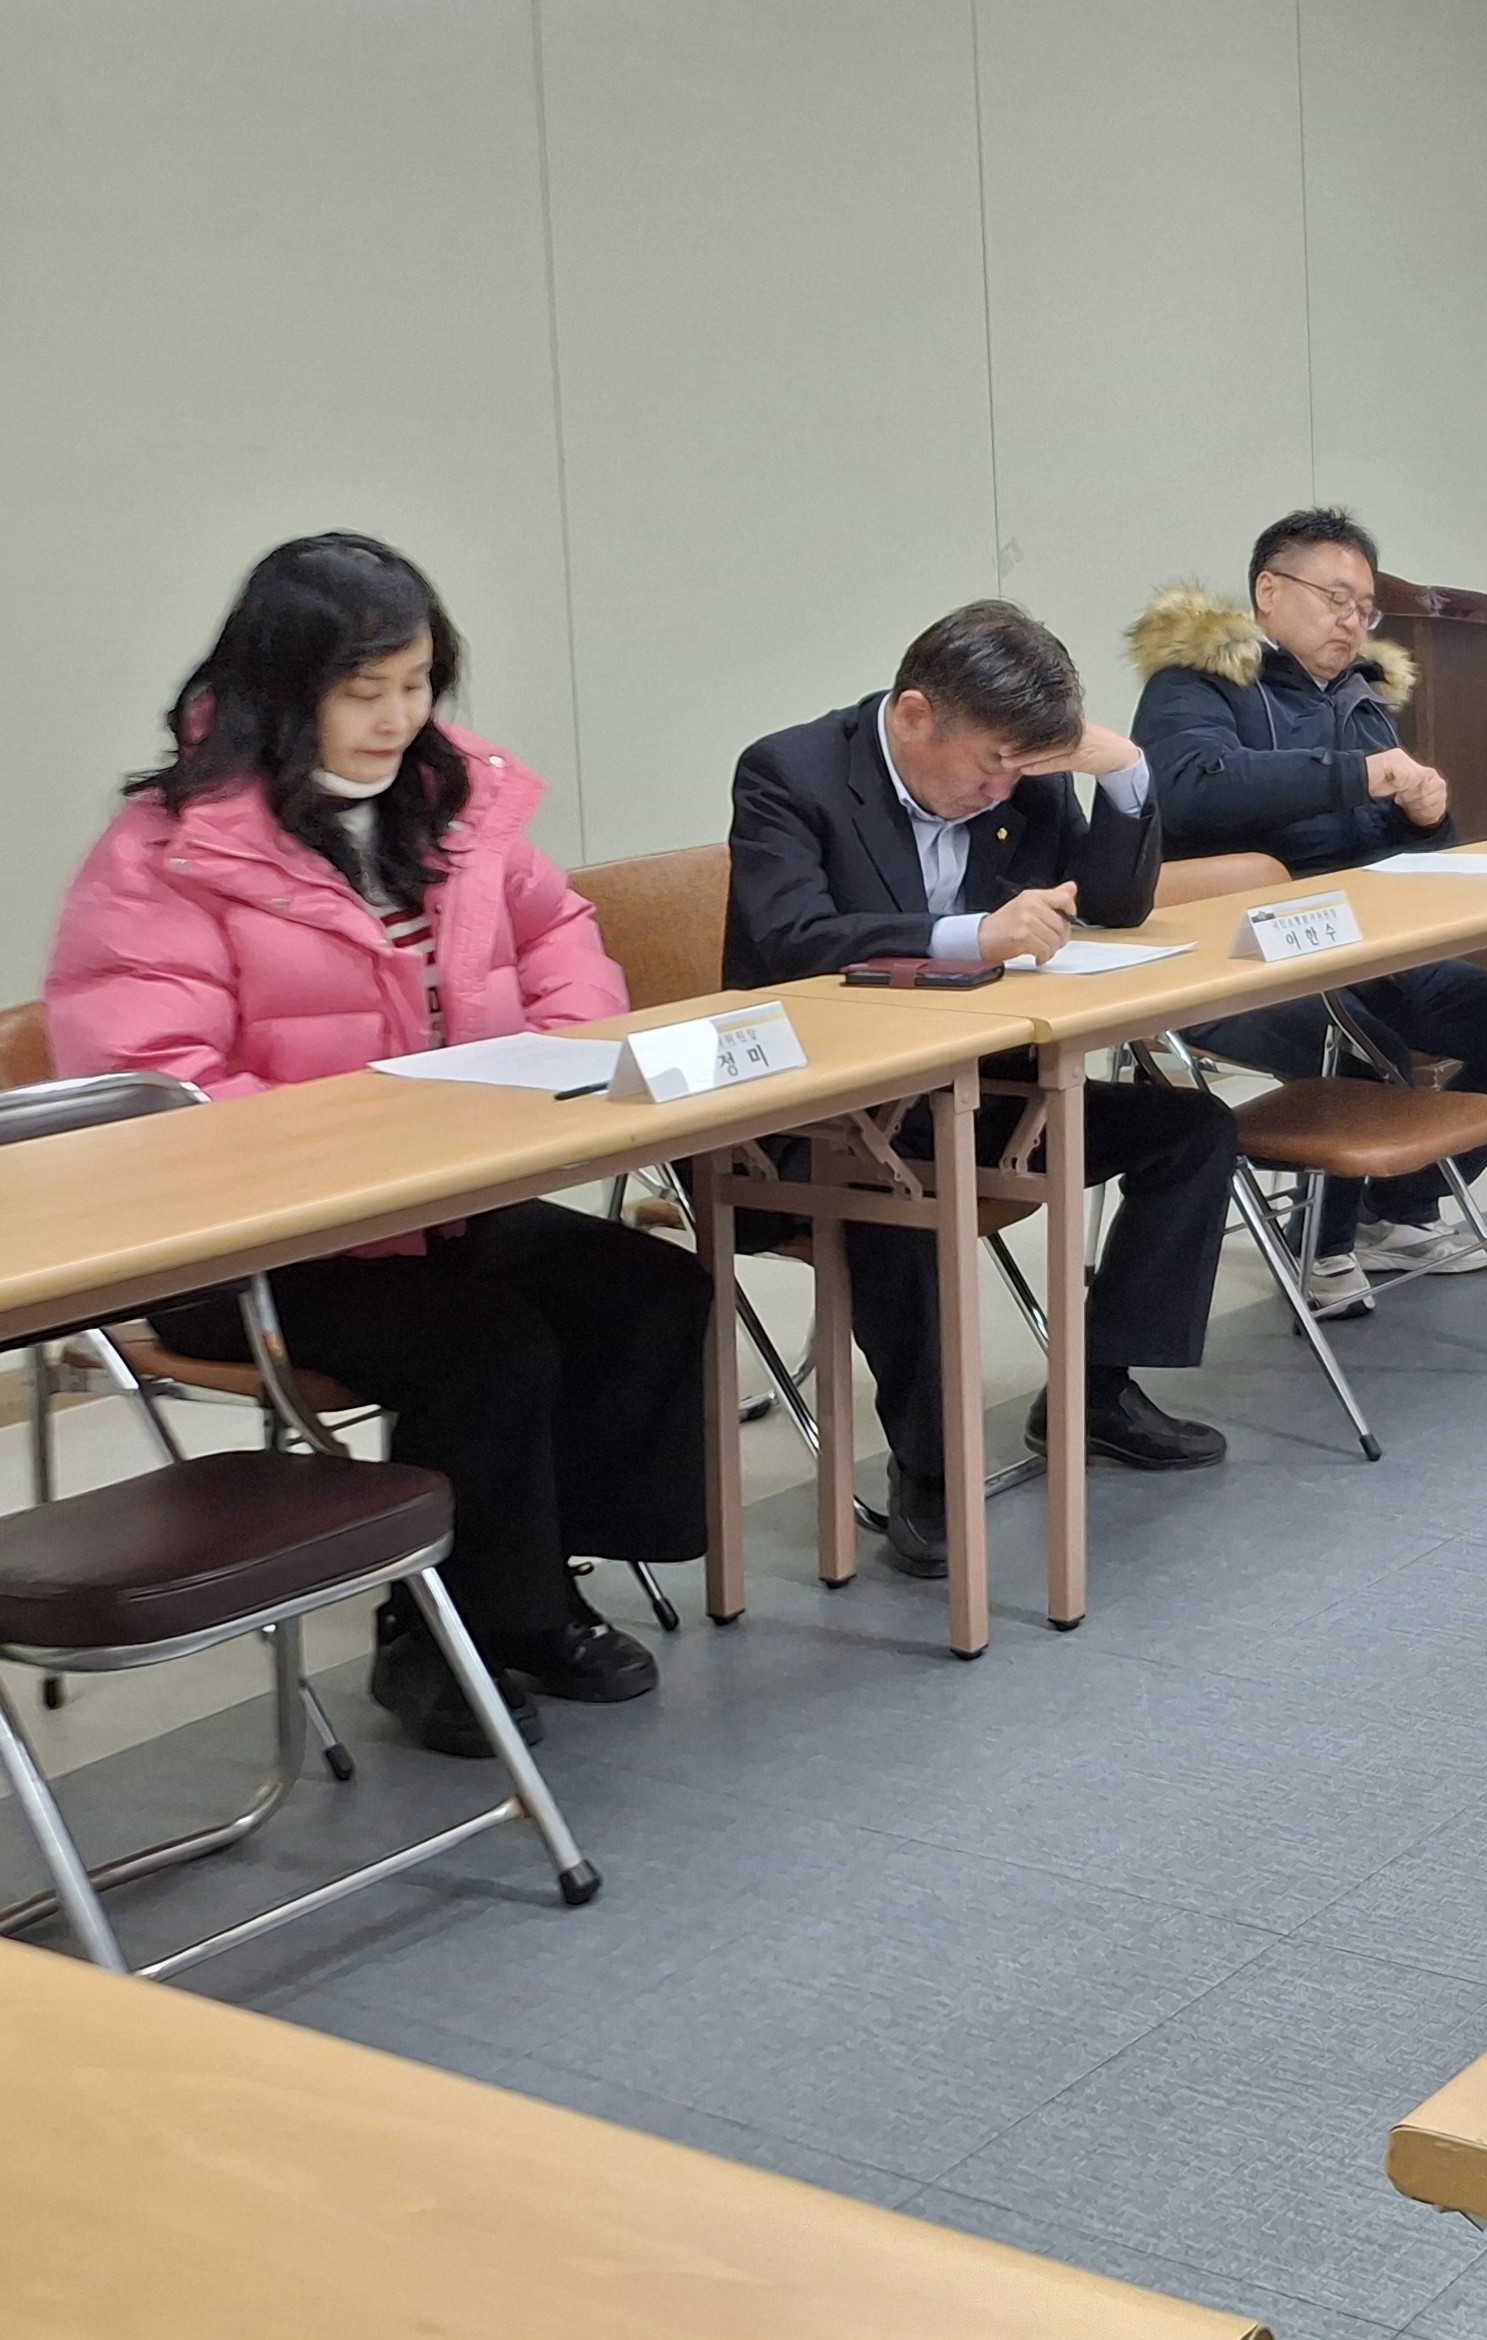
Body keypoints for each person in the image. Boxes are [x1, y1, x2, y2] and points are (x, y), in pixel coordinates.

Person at [46, 535, 702, 1758]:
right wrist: (367, 1143)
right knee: (487, 1346)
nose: (400, 719)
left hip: (438, 1201)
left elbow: (557, 932)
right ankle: (430, 1637)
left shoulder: (451, 801)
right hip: (245, 1248)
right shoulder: (168, 854)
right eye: (365, 692)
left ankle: (542, 1587)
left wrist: (565, 1048)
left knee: (649, 1291)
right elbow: (153, 1091)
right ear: (279, 690)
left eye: (416, 685)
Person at [722, 600, 1239, 1578]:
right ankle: (929, 1468)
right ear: (916, 714)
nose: (1003, 787)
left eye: (1022, 768)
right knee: (902, 1194)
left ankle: (1094, 1390)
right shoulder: (791, 772)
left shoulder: (1021, 778)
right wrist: (970, 938)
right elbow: (792, 940)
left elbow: (1115, 906)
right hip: (811, 1118)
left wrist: (1124, 773)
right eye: (990, 763)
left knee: (1192, 1127)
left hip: (973, 1092)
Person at [1127, 510, 1487, 1286]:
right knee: (1369, 1052)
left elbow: (1397, 861)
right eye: (1335, 598)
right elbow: (1188, 788)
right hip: (1236, 961)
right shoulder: (1194, 685)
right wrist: (1353, 775)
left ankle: (1396, 1207)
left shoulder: (1360, 699)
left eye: (1364, 608)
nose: (1351, 621)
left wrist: (1428, 821)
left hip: (1359, 951)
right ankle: (1320, 1250)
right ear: (1269, 591)